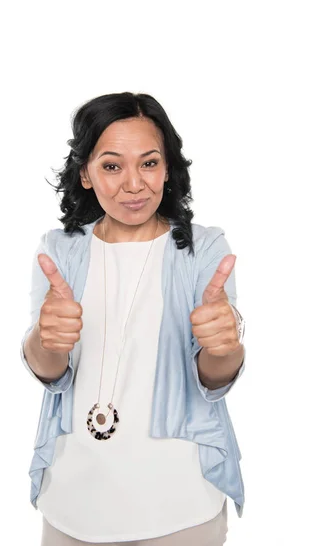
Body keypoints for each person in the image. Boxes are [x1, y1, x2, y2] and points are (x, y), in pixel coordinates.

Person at [21, 92, 246, 546]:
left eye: (148, 163)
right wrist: (48, 341)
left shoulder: (203, 249)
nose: (133, 184)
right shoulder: (58, 250)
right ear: (85, 173)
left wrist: (225, 348)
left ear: (168, 169)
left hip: (180, 508)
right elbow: (49, 371)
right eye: (111, 166)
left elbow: (214, 377)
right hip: (72, 504)